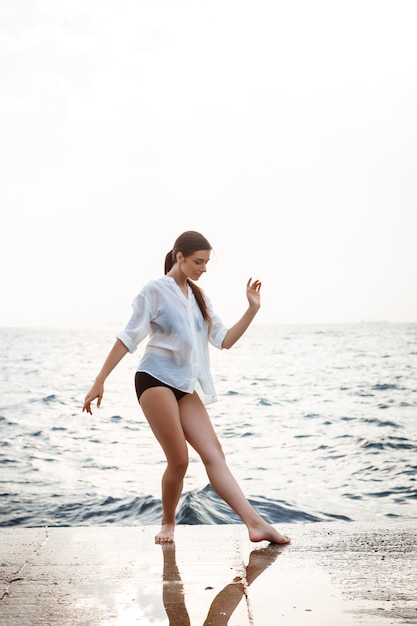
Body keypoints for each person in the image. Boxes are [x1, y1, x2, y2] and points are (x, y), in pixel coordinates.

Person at [82, 231, 290, 546]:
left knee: (214, 454)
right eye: (198, 261)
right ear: (179, 256)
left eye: (206, 262)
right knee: (179, 459)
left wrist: (252, 309)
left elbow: (224, 341)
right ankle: (168, 522)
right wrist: (100, 380)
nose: (203, 268)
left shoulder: (200, 297)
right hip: (154, 379)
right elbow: (128, 337)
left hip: (183, 384)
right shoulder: (154, 290)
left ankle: (255, 524)